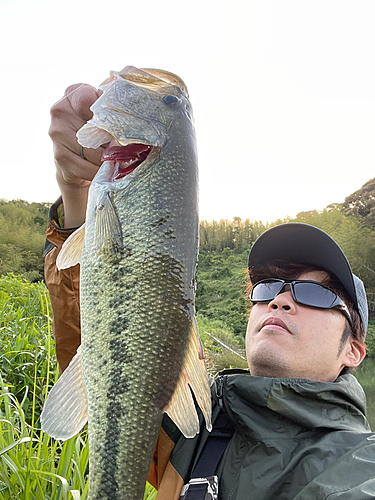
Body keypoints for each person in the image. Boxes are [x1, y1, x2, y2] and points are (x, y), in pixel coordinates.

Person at [44, 83, 375, 500]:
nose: (280, 299)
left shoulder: (358, 468)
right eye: (267, 286)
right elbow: (109, 352)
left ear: (354, 351)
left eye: (315, 294)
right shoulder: (196, 424)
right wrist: (77, 193)